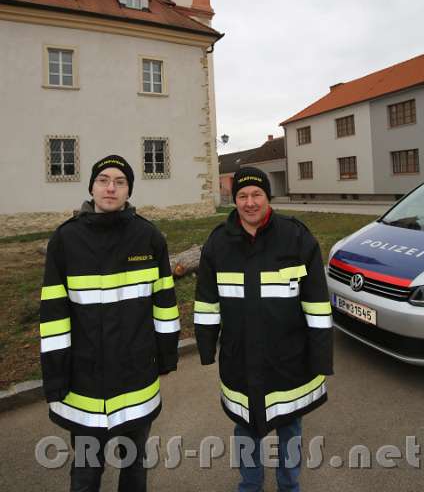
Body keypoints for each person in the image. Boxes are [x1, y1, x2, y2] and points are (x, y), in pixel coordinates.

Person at [40, 154, 180, 492]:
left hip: (136, 378)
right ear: (91, 186)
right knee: (86, 472)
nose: (111, 187)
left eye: (120, 181)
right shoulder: (65, 240)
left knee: (135, 466)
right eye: (104, 180)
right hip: (84, 381)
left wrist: (166, 357)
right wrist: (55, 374)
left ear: (128, 190)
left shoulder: (148, 238)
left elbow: (164, 304)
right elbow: (54, 315)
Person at [194, 166, 333, 492]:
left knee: (290, 427)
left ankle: (289, 485)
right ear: (234, 200)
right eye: (242, 195)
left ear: (268, 198)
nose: (250, 202)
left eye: (257, 194)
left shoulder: (296, 236)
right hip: (239, 358)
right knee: (245, 429)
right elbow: (206, 302)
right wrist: (205, 347)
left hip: (290, 359)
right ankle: (250, 485)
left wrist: (321, 356)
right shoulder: (218, 243)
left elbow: (316, 304)